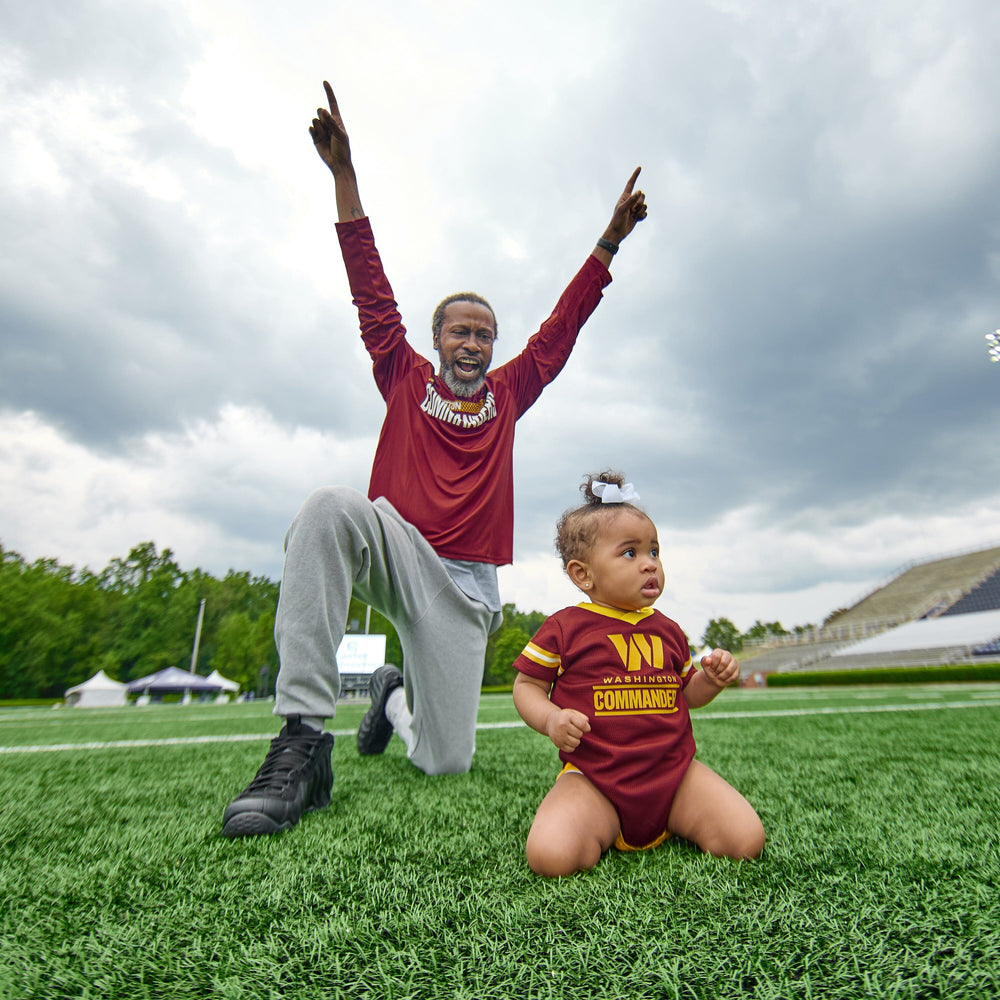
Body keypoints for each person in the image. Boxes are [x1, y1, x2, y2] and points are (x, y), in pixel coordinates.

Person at [221, 82, 648, 837]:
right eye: (460, 331)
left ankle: (391, 698)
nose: (473, 343)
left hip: (464, 591)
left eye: (484, 333)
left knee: (446, 761)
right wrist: (343, 176)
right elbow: (369, 286)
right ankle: (301, 741)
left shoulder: (511, 392)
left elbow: (562, 326)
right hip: (399, 549)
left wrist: (608, 242)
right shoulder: (401, 370)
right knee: (327, 506)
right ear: (437, 337)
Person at [512, 472, 765, 876]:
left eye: (654, 551)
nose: (649, 564)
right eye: (630, 553)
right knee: (551, 857)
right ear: (583, 574)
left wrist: (711, 681)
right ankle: (606, 823)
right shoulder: (565, 627)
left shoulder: (667, 629)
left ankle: (671, 817)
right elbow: (527, 686)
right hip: (595, 780)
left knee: (745, 841)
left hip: (674, 774)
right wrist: (550, 718)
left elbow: (687, 694)